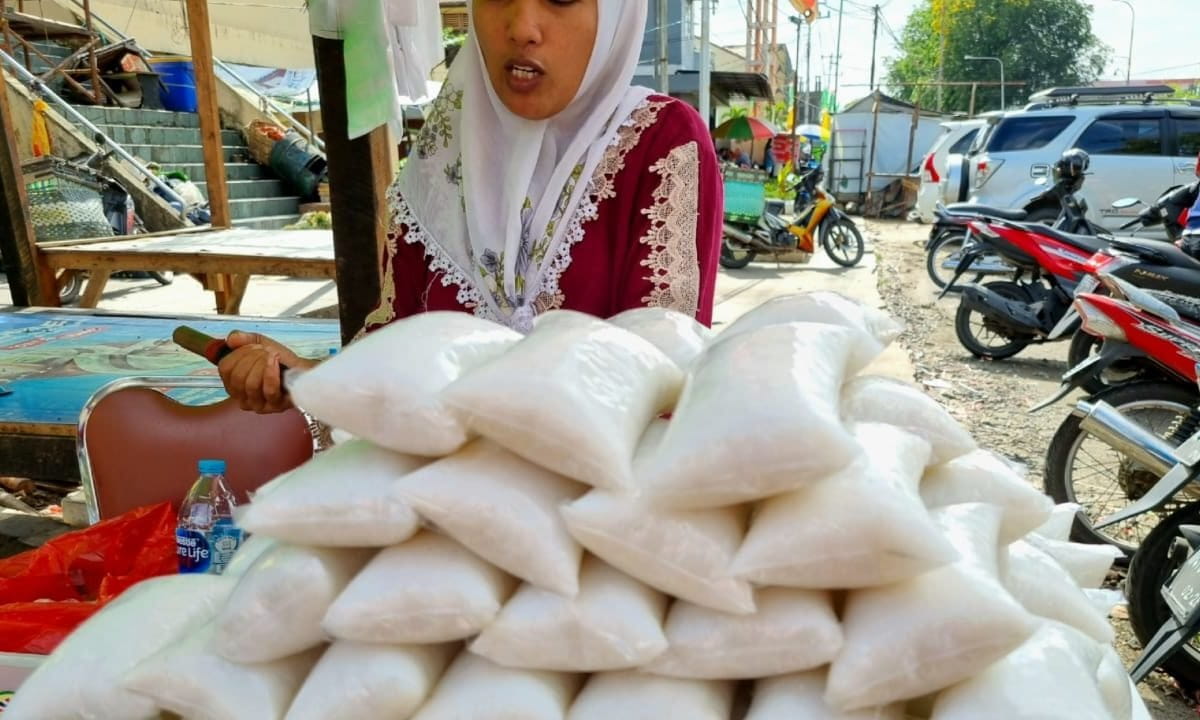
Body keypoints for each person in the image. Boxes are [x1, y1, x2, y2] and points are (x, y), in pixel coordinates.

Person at [218, 0, 724, 414]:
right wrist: (306, 378)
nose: (521, 27)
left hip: (592, 499)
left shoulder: (660, 144)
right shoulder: (443, 156)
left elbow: (661, 378)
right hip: (433, 493)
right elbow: (392, 349)